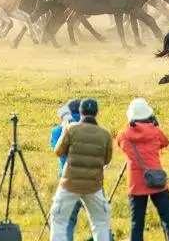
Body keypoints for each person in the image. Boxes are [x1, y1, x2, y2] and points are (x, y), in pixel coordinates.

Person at [116, 98, 169, 241]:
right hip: (157, 180)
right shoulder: (155, 131)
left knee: (137, 224)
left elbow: (119, 143)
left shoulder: (124, 134)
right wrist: (154, 125)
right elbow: (165, 142)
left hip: (136, 184)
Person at [50, 98, 113, 241]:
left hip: (70, 184)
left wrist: (66, 125)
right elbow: (107, 160)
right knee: (100, 223)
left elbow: (59, 151)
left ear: (81, 112)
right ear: (96, 113)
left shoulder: (70, 129)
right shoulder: (105, 134)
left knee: (59, 221)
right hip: (94, 185)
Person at [50, 99, 84, 241]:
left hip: (67, 181)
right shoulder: (91, 128)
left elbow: (56, 149)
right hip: (92, 182)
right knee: (99, 221)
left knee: (65, 222)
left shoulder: (59, 130)